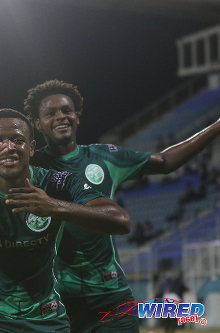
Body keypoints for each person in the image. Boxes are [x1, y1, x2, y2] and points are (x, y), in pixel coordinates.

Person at [23, 79, 220, 332]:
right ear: (37, 124)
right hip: (55, 301)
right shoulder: (28, 167)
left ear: (77, 117)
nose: (61, 116)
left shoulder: (105, 156)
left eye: (67, 110)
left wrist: (216, 126)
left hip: (110, 297)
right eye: (51, 113)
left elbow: (164, 161)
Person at [0, 108, 131, 332]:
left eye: (18, 140)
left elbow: (121, 220)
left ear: (32, 148)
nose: (8, 147)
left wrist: (53, 206)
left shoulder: (56, 183)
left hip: (49, 319)